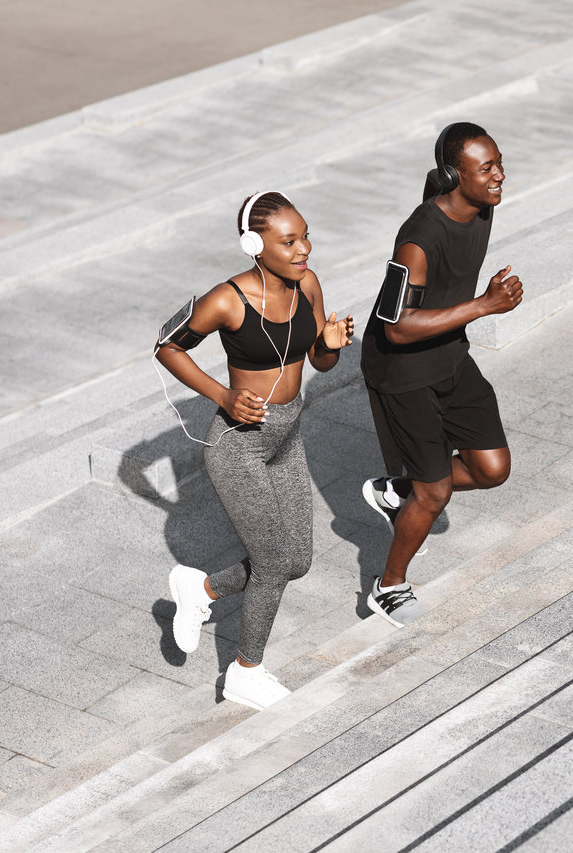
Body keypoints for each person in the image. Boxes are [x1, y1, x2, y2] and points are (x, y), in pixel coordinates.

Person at [156, 190, 353, 710]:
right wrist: (222, 395)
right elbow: (166, 344)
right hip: (238, 445)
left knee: (298, 561)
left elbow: (319, 363)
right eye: (288, 241)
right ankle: (246, 671)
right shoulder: (228, 299)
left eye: (305, 235)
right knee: (272, 560)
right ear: (253, 244)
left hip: (287, 435)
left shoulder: (307, 283)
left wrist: (329, 344)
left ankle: (202, 592)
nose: (303, 248)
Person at [359, 122, 523, 627]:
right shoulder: (418, 240)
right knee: (436, 492)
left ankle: (398, 492)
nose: (500, 175)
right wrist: (484, 305)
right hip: (402, 371)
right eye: (487, 168)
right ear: (455, 176)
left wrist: (477, 306)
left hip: (449, 355)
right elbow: (397, 327)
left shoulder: (482, 204)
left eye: (499, 162)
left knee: (492, 468)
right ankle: (388, 586)